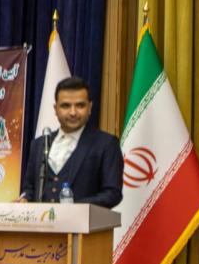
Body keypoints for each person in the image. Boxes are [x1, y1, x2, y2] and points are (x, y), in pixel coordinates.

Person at [20, 76, 123, 208]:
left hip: (83, 221)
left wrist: (73, 208)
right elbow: (29, 189)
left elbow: (112, 194)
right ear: (55, 109)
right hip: (41, 221)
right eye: (66, 106)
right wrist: (25, 199)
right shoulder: (38, 144)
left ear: (90, 107)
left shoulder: (106, 144)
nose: (73, 112)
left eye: (80, 105)